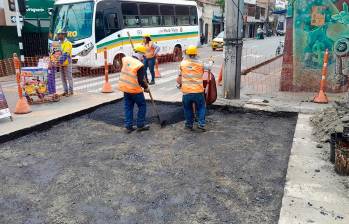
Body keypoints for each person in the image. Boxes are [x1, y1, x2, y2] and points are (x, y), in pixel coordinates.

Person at [118, 45, 150, 133]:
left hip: (125, 88)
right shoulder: (139, 65)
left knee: (128, 107)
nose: (144, 58)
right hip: (134, 90)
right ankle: (140, 125)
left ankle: (128, 126)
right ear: (141, 55)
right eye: (143, 56)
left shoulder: (126, 59)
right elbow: (140, 80)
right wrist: (146, 87)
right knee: (142, 105)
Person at [176, 45, 208, 131]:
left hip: (186, 92)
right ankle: (201, 123)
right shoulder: (200, 63)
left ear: (187, 54)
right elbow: (209, 68)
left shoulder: (182, 64)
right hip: (198, 91)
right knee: (201, 107)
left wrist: (179, 84)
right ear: (196, 54)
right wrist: (211, 62)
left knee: (187, 108)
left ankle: (189, 124)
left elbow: (178, 80)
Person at [57, 29, 74, 96]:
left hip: (67, 63)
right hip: (61, 63)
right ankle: (65, 91)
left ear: (63, 35)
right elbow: (55, 53)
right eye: (58, 34)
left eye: (59, 34)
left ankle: (71, 91)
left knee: (69, 77)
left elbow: (66, 54)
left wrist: (58, 61)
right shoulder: (58, 43)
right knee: (63, 78)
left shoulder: (68, 43)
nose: (58, 36)